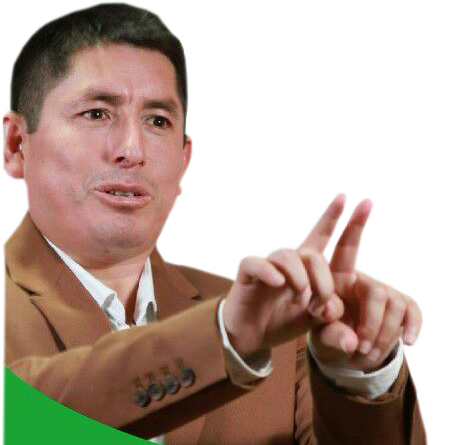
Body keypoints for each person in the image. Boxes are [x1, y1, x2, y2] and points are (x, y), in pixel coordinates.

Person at [3, 3, 426, 444]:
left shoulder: (280, 332)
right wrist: (223, 339)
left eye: (157, 121)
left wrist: (359, 375)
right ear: (16, 145)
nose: (132, 149)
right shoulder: (241, 329)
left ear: (183, 160)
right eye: (96, 114)